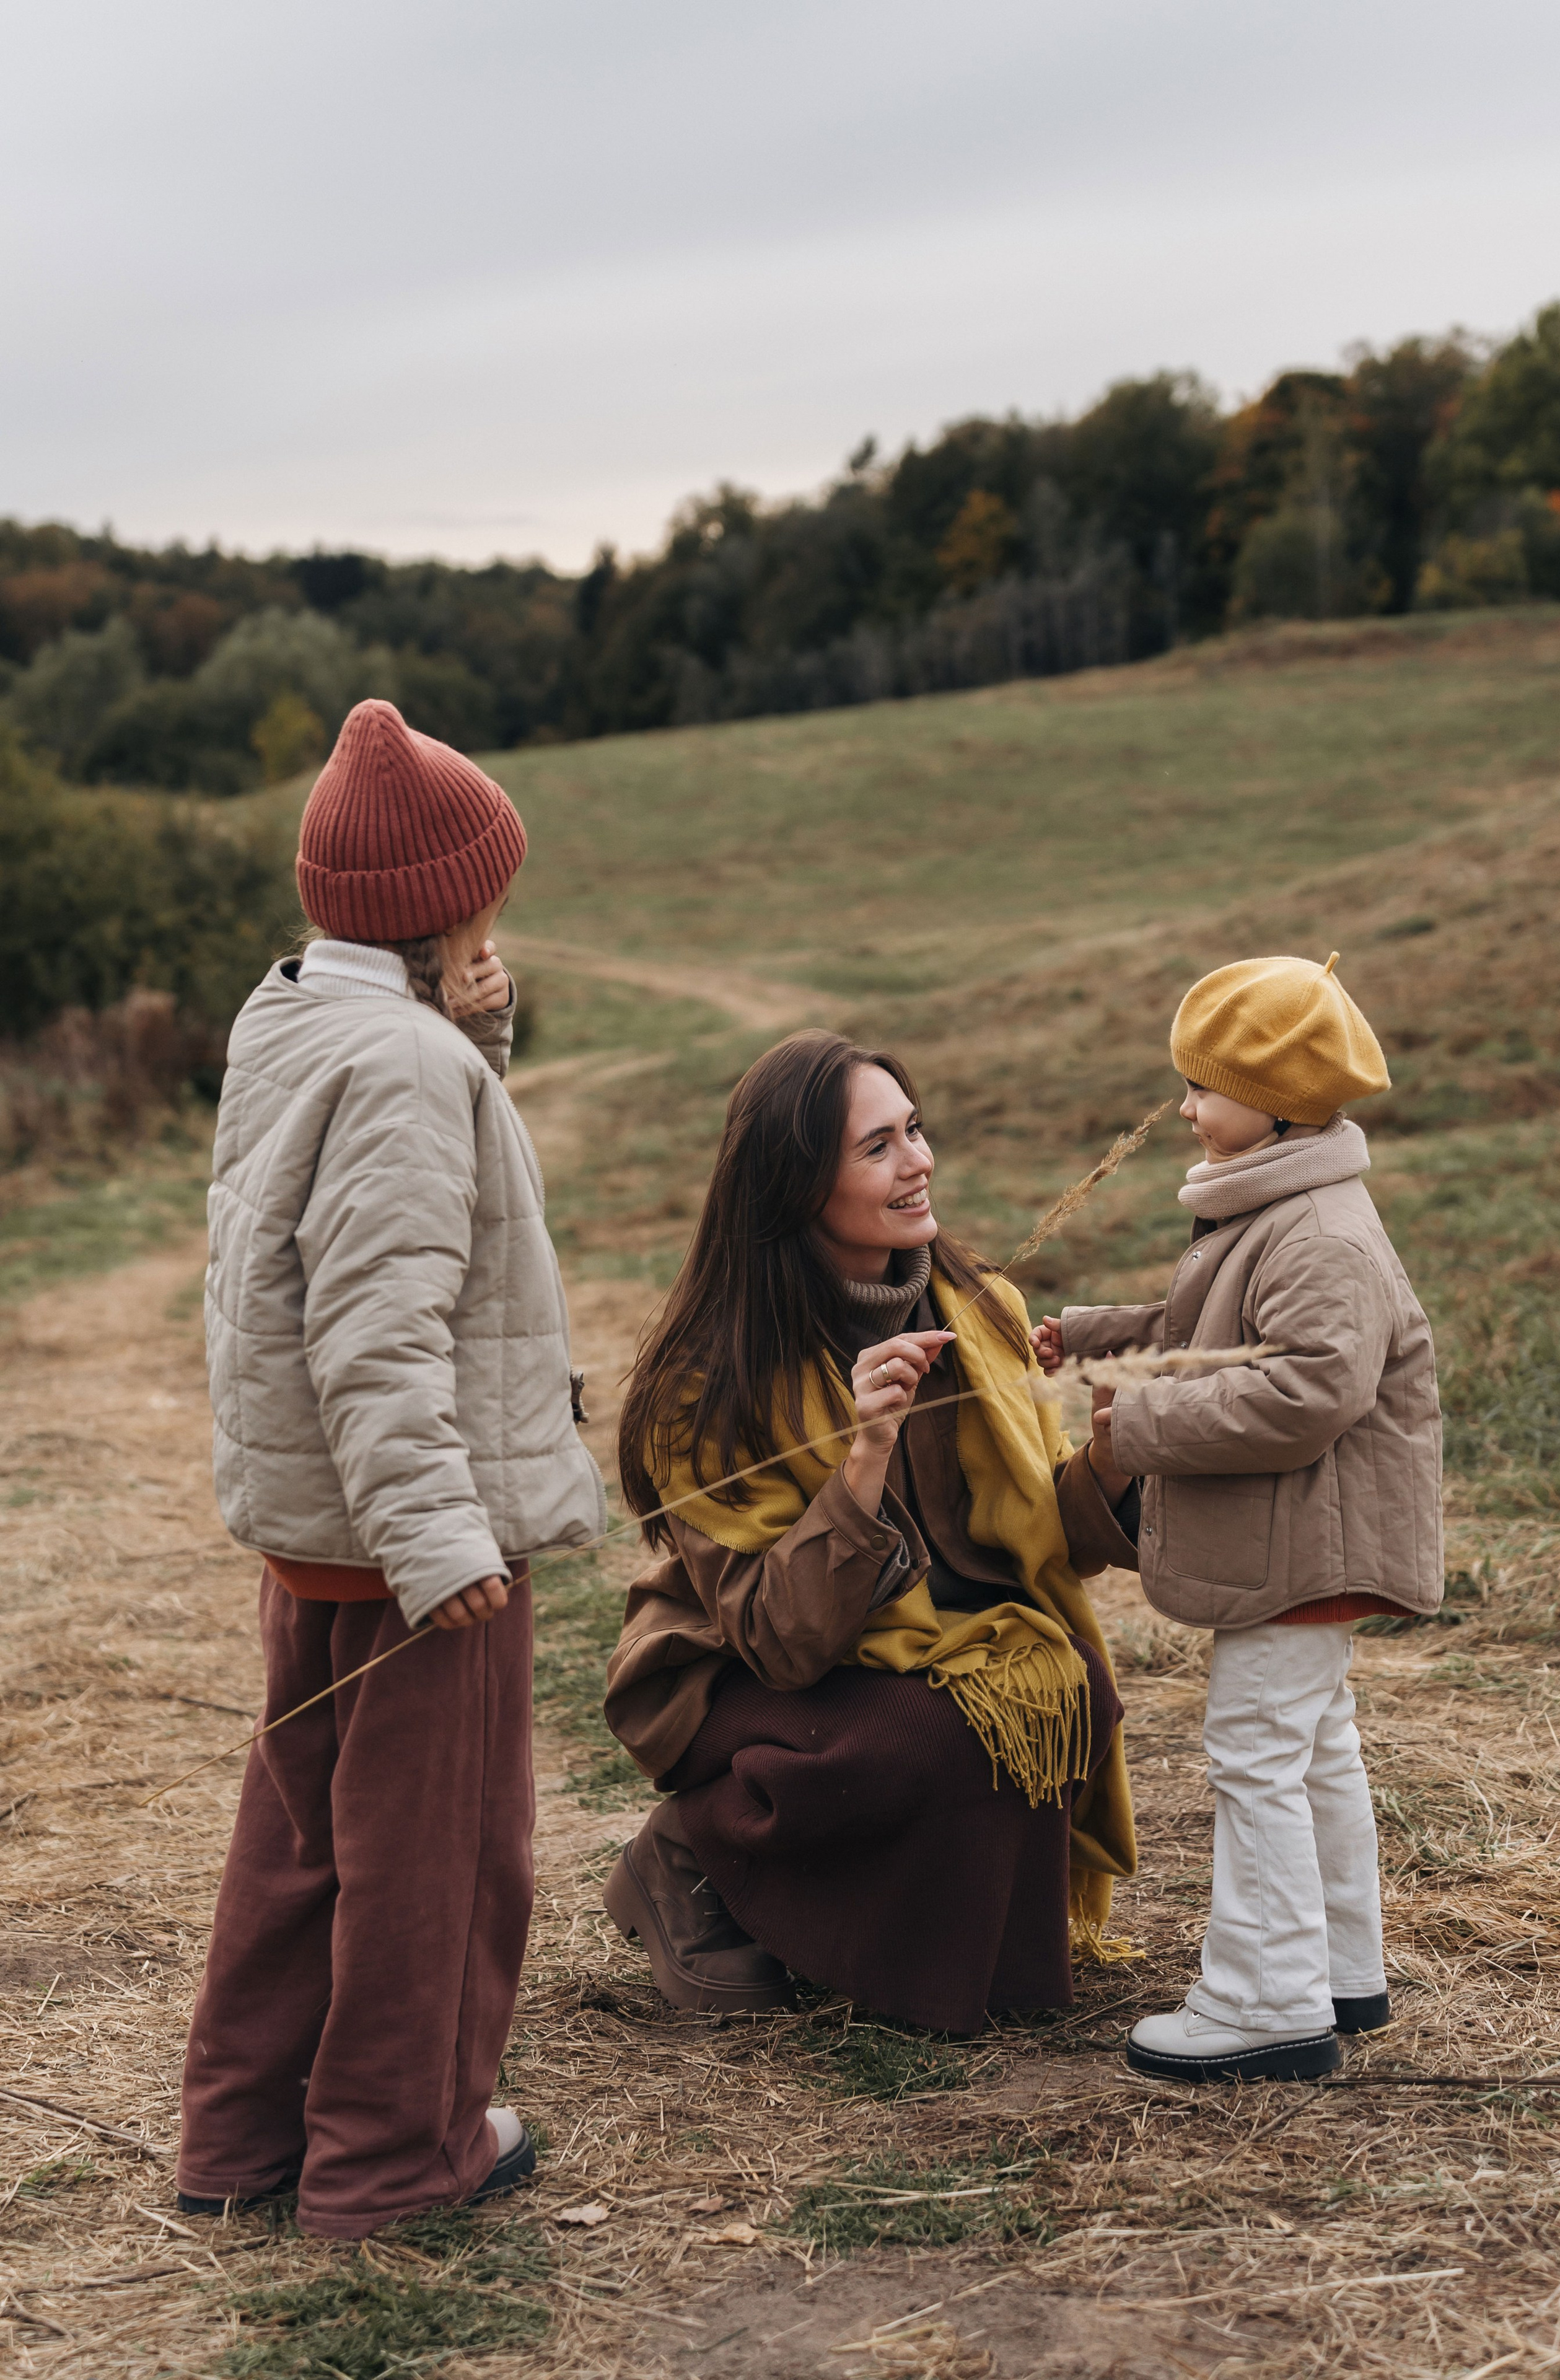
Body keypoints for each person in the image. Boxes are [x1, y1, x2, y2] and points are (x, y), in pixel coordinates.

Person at [175, 699, 605, 2239]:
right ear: (450, 906)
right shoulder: (406, 1065)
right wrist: (439, 1536)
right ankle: (393, 2161)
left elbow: (389, 1197)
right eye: (488, 893)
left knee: (299, 1843)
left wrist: (466, 1031)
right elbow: (376, 1317)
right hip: (410, 1540)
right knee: (438, 1864)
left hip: (316, 1532)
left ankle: (239, 2142)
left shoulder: (294, 1014)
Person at [601, 1030, 1136, 2037]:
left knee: (1068, 1689)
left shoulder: (981, 1308)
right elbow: (780, 1638)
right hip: (745, 1669)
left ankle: (928, 1946)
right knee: (933, 1734)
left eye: (916, 1130)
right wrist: (864, 1457)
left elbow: (1033, 1539)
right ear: (798, 1184)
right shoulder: (708, 1383)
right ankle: (693, 1849)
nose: (918, 1161)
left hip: (926, 1639)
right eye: (878, 1146)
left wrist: (1109, 1455)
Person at [1033, 953, 1442, 2084]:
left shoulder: (1320, 1234)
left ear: (1278, 1101)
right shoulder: (1282, 1206)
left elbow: (1307, 1391)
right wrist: (1090, 1337)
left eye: (1203, 1087)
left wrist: (1137, 1422)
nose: (1184, 1107)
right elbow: (1211, 1326)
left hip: (1307, 1541)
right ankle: (1340, 1968)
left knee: (1256, 1749)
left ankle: (1265, 2001)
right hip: (1305, 1536)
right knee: (1312, 1748)